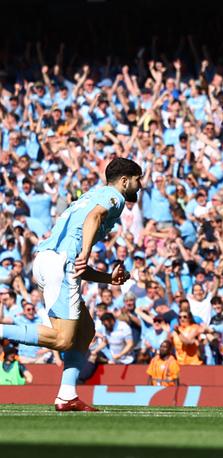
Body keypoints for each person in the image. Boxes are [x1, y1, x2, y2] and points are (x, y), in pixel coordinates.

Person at [0, 158, 142, 411]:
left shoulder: (91, 194)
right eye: (137, 179)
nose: (139, 185)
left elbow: (75, 264)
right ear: (124, 180)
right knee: (63, 340)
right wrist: (86, 251)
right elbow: (94, 219)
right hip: (59, 264)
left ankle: (67, 396)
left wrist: (108, 278)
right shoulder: (114, 197)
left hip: (47, 260)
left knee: (85, 330)